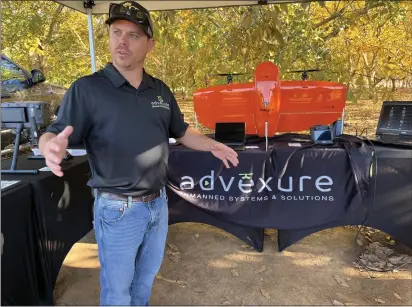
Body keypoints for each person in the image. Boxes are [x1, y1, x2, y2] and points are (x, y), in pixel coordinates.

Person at [38, 1, 239, 305]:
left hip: (157, 205)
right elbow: (56, 131)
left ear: (150, 44)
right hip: (117, 210)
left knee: (144, 282)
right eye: (116, 32)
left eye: (133, 35)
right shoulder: (87, 89)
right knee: (118, 292)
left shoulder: (160, 90)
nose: (122, 41)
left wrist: (213, 144)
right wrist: (48, 145)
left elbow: (182, 131)